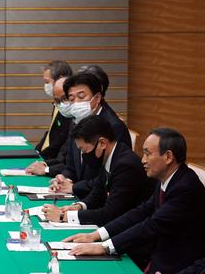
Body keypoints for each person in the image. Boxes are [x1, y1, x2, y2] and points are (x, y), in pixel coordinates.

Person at [63, 128, 205, 274]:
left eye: (148, 154)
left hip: (177, 266)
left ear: (168, 157)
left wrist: (104, 247)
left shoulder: (185, 187)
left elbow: (152, 225)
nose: (142, 160)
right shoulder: (168, 178)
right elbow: (141, 212)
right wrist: (97, 235)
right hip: (158, 256)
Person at [42, 115, 154, 226]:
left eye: (84, 150)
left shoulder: (126, 165)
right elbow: (97, 194)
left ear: (102, 143)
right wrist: (78, 206)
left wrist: (63, 216)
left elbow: (109, 213)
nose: (83, 156)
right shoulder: (109, 156)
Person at [50, 72, 132, 198]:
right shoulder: (77, 121)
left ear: (97, 98)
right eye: (72, 99)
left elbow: (111, 176)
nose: (76, 103)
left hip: (101, 200)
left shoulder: (114, 126)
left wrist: (74, 187)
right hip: (78, 195)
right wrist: (63, 178)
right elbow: (71, 165)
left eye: (81, 96)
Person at [26, 76, 73, 176]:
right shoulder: (66, 112)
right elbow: (63, 156)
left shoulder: (76, 116)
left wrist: (47, 169)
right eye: (57, 101)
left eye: (65, 98)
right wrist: (43, 162)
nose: (61, 104)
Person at [35, 61, 73, 161]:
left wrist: (43, 160)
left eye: (47, 82)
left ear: (60, 79)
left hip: (55, 160)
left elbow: (62, 139)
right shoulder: (58, 102)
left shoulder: (69, 107)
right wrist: (36, 151)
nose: (46, 86)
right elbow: (52, 131)